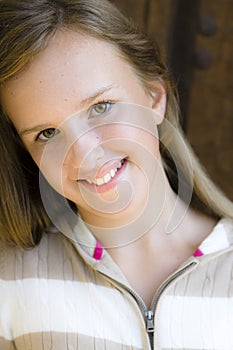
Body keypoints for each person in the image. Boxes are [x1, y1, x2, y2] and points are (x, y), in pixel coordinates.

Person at [0, 0, 232, 349]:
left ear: (154, 96)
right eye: (46, 134)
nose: (84, 152)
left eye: (100, 107)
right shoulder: (9, 279)